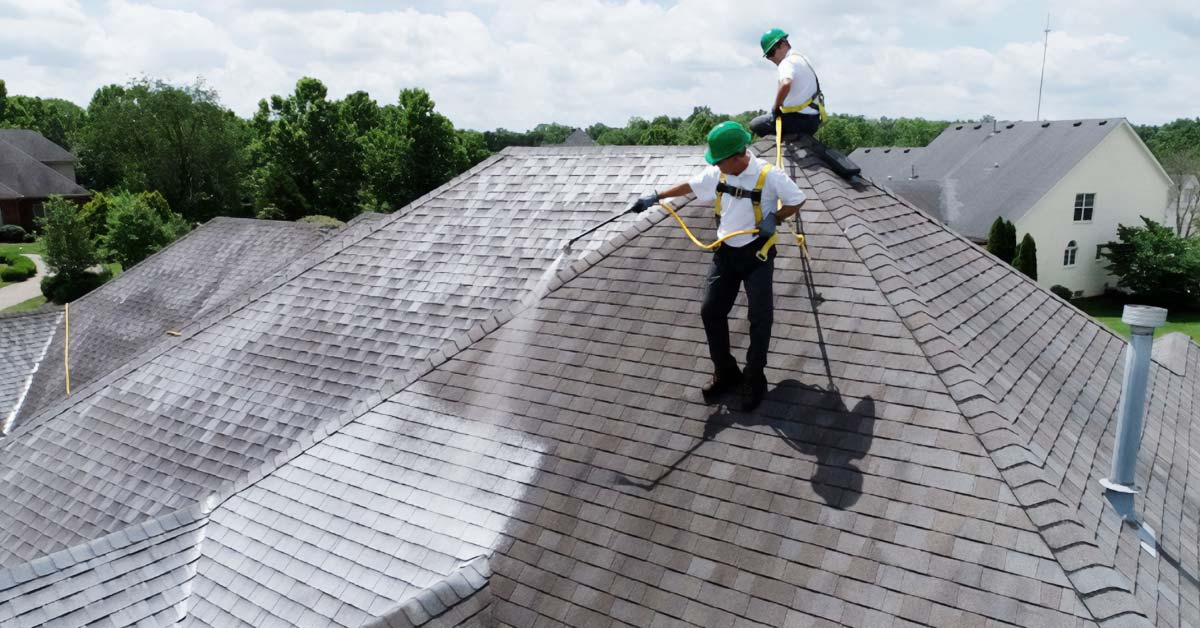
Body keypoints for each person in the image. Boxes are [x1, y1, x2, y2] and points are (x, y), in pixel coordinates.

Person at [631, 121, 806, 410]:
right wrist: (656, 197)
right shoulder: (719, 173)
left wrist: (775, 218)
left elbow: (797, 199)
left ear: (738, 156)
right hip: (726, 254)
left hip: (756, 256)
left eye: (720, 160)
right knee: (710, 310)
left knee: (759, 318)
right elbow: (691, 185)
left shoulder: (769, 176)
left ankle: (754, 376)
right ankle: (726, 371)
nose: (716, 166)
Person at [749, 28, 825, 139]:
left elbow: (786, 84)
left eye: (771, 52)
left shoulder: (787, 62)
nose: (771, 58)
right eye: (768, 56)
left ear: (784, 44)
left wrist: (776, 107)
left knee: (756, 124)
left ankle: (784, 142)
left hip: (797, 121)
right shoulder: (802, 59)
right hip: (813, 121)